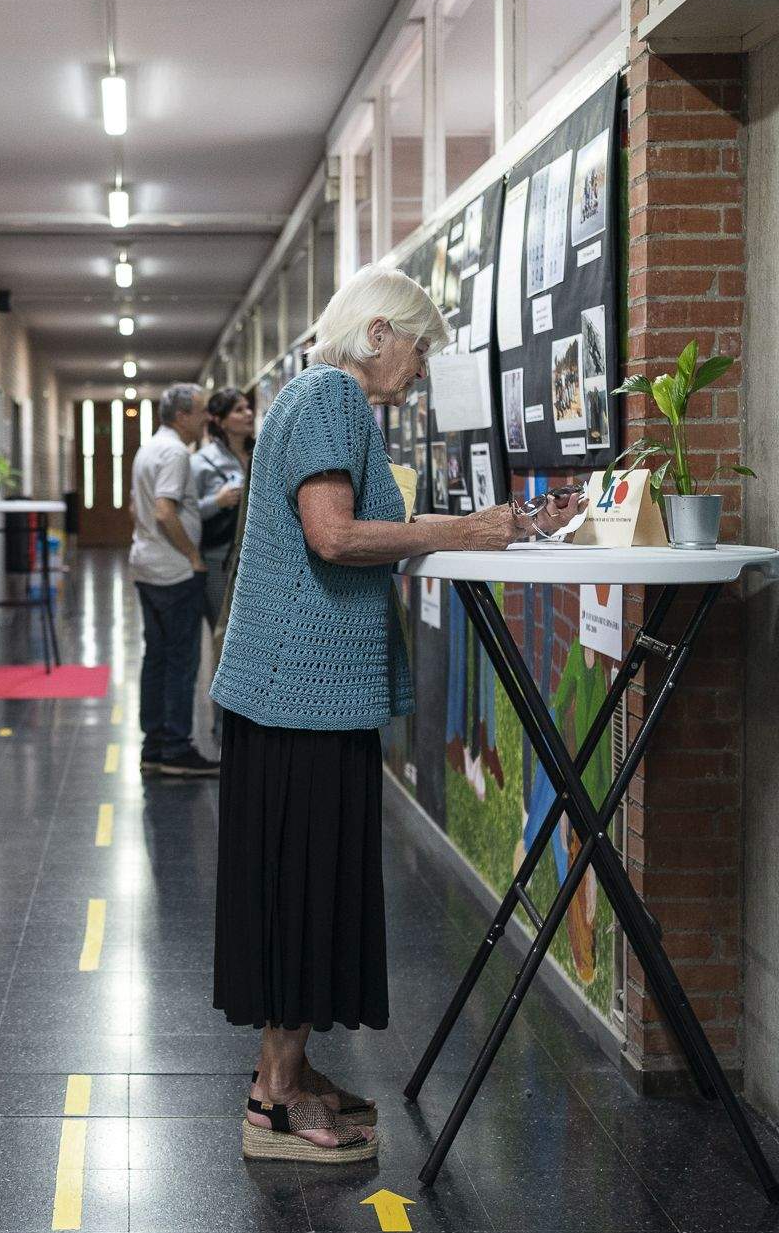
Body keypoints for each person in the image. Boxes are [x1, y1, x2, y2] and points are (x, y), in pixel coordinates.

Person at [210, 264, 580, 1164]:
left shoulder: (316, 397)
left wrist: (480, 527)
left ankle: (285, 1073)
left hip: (297, 693)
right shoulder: (331, 396)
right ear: (378, 333)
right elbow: (333, 535)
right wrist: (466, 529)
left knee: (301, 888)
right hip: (300, 698)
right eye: (419, 349)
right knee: (301, 889)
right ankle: (275, 1102)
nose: (420, 370)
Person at [128, 382, 219, 779]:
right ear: (182, 416)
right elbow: (164, 511)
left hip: (147, 566)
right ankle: (177, 748)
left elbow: (137, 508)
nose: (206, 419)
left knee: (157, 657)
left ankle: (154, 745)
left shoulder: (148, 448)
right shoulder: (177, 453)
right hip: (174, 572)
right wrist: (193, 556)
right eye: (201, 412)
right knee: (181, 661)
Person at [191, 388, 254, 625]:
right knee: (224, 625)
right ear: (220, 421)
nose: (248, 413)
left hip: (257, 555)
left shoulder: (260, 453)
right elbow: (189, 512)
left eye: (248, 407)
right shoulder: (201, 462)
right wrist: (217, 502)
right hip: (219, 558)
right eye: (239, 410)